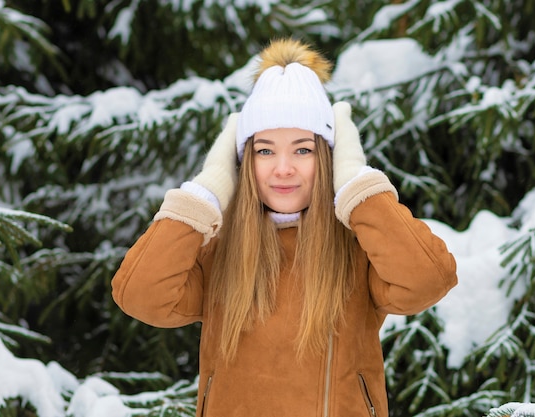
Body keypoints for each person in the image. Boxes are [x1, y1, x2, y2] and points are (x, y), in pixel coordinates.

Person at [111, 38, 457, 417]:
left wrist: (357, 183)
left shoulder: (360, 246)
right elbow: (140, 295)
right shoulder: (217, 251)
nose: (283, 168)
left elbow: (428, 280)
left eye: (303, 149)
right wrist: (206, 191)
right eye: (265, 150)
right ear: (244, 162)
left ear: (328, 158)